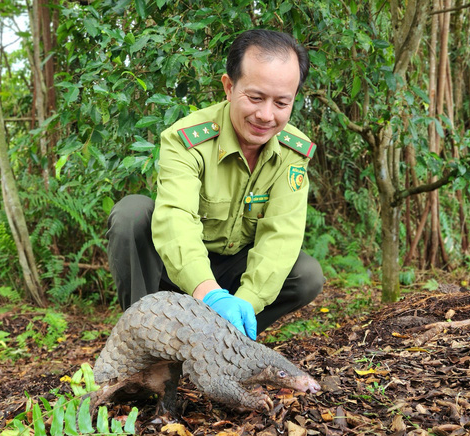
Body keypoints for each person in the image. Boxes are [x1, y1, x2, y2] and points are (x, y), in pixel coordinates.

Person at [106, 29, 324, 339]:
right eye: (255, 97)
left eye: (281, 103)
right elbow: (176, 221)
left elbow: (281, 236)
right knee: (132, 214)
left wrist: (243, 303)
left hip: (235, 272)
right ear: (229, 87)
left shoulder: (293, 152)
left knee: (306, 275)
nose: (265, 115)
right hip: (176, 269)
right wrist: (209, 294)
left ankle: (224, 339)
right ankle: (144, 343)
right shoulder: (187, 139)